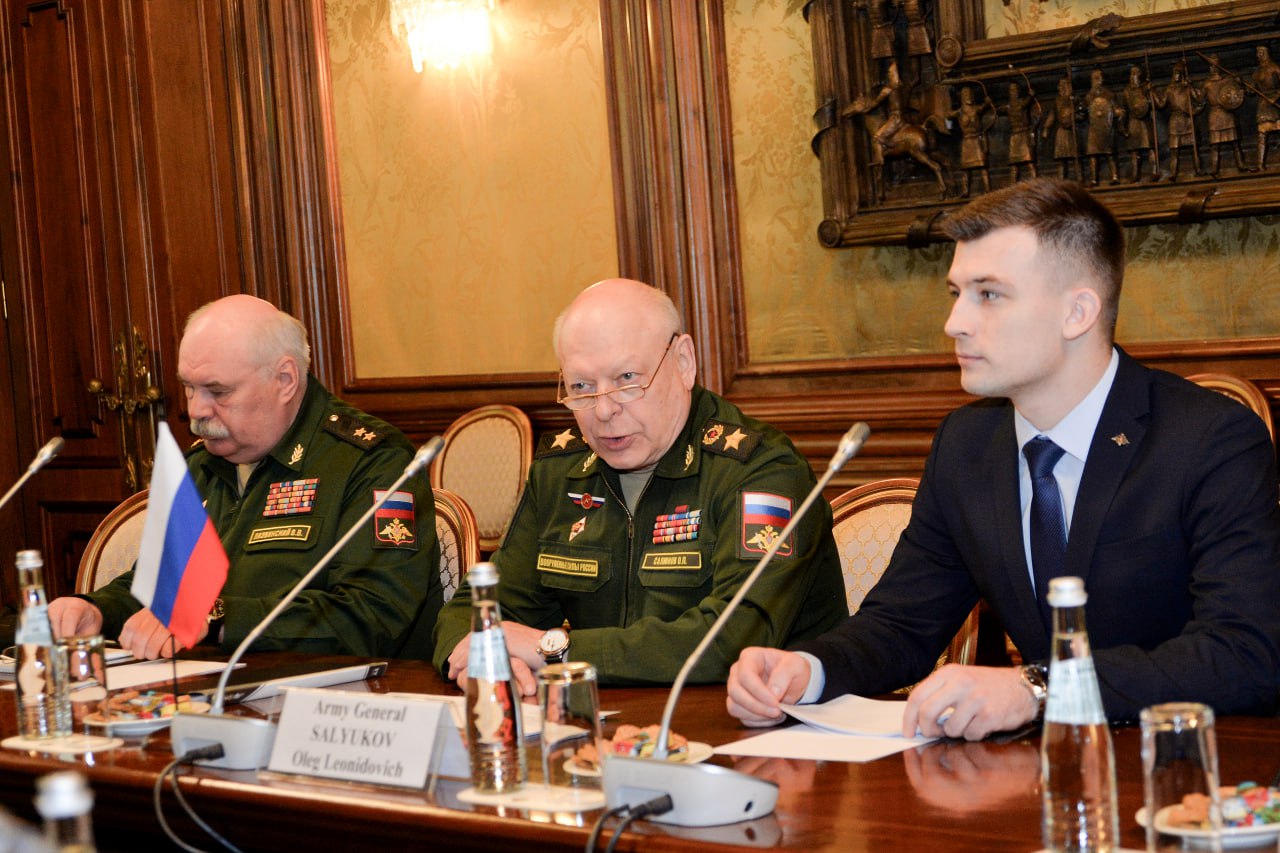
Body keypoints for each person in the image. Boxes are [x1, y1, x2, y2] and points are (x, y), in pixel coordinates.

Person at [726, 178, 1280, 741]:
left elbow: (1246, 652)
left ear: (1077, 312)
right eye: (956, 293)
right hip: (1033, 771)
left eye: (988, 295)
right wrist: (807, 670)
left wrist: (1038, 688)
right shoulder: (967, 444)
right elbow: (902, 623)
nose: (954, 323)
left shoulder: (1209, 438)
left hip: (1188, 763)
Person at [433, 278, 846, 694]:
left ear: (683, 362)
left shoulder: (759, 471)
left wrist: (554, 651)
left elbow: (732, 640)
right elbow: (472, 611)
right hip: (602, 721)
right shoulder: (561, 472)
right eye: (581, 387)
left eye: (627, 379)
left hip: (753, 722)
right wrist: (476, 658)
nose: (604, 410)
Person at [49, 295, 441, 660]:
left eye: (217, 391)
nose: (196, 410)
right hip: (214, 688)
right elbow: (160, 589)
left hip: (342, 697)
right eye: (189, 388)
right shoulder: (201, 465)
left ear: (285, 380)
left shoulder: (372, 461)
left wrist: (219, 619)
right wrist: (97, 610)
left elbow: (373, 614)